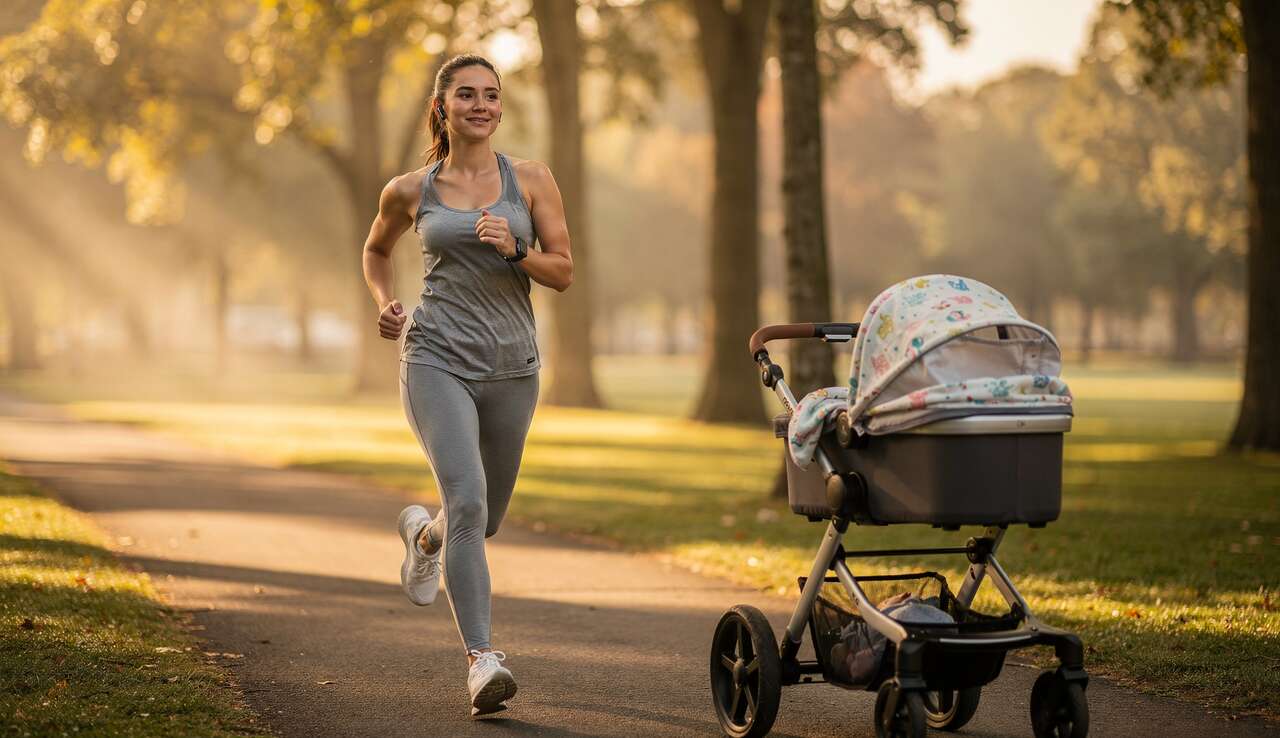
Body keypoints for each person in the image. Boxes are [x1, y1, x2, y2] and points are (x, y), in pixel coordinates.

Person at [360, 53, 573, 717]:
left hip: (513, 367)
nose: (480, 105)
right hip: (435, 359)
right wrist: (384, 302)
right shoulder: (409, 189)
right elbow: (376, 250)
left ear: (500, 107)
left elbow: (563, 271)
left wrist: (515, 249)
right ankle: (482, 660)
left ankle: (424, 538)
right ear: (443, 106)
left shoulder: (531, 180)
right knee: (470, 500)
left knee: (481, 520)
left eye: (491, 95)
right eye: (466, 95)